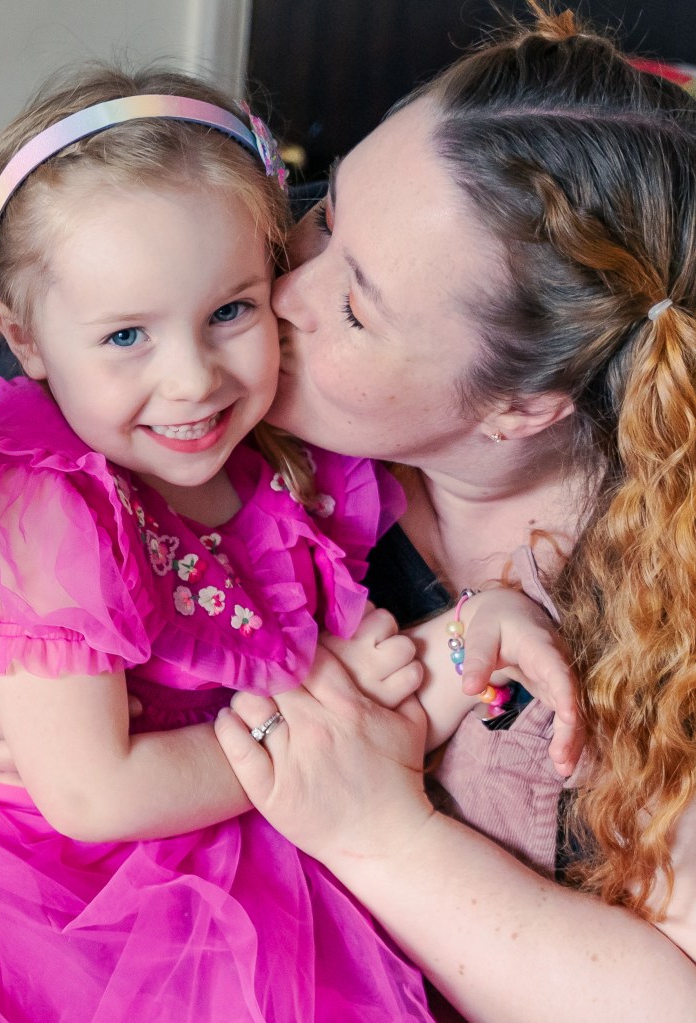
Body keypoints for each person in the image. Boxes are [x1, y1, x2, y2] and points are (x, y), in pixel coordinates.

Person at [0, 62, 580, 1022]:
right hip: (87, 899)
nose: (193, 379)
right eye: (126, 336)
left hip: (240, 824)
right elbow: (92, 795)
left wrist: (473, 629)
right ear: (26, 341)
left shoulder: (287, 452)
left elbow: (365, 693)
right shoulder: (43, 505)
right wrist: (315, 736)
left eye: (229, 311)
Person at [209, 4, 696, 1021]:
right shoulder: (245, 413)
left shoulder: (663, 633)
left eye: (356, 309)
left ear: (522, 404)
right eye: (325, 213)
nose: (285, 292)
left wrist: (382, 837)